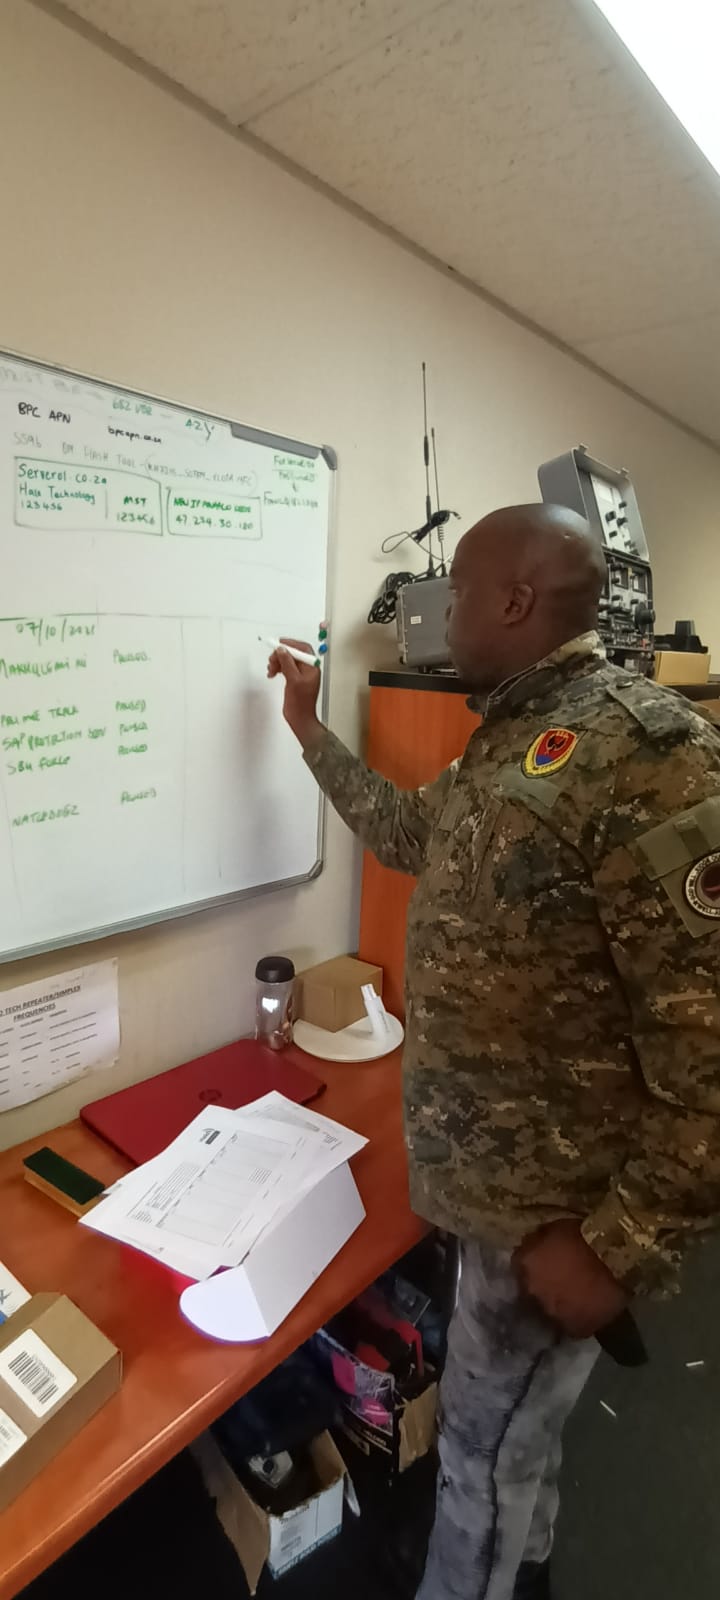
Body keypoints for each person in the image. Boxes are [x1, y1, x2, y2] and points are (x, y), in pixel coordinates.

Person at [268, 503, 720, 1600]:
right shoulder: (515, 735)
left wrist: (615, 1245)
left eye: (457, 590)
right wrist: (308, 727)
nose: (438, 613)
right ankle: (528, 1573)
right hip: (494, 1196)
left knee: (477, 1456)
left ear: (516, 600)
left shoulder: (652, 752)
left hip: (556, 1222)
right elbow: (405, 832)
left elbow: (706, 1044)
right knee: (517, 1443)